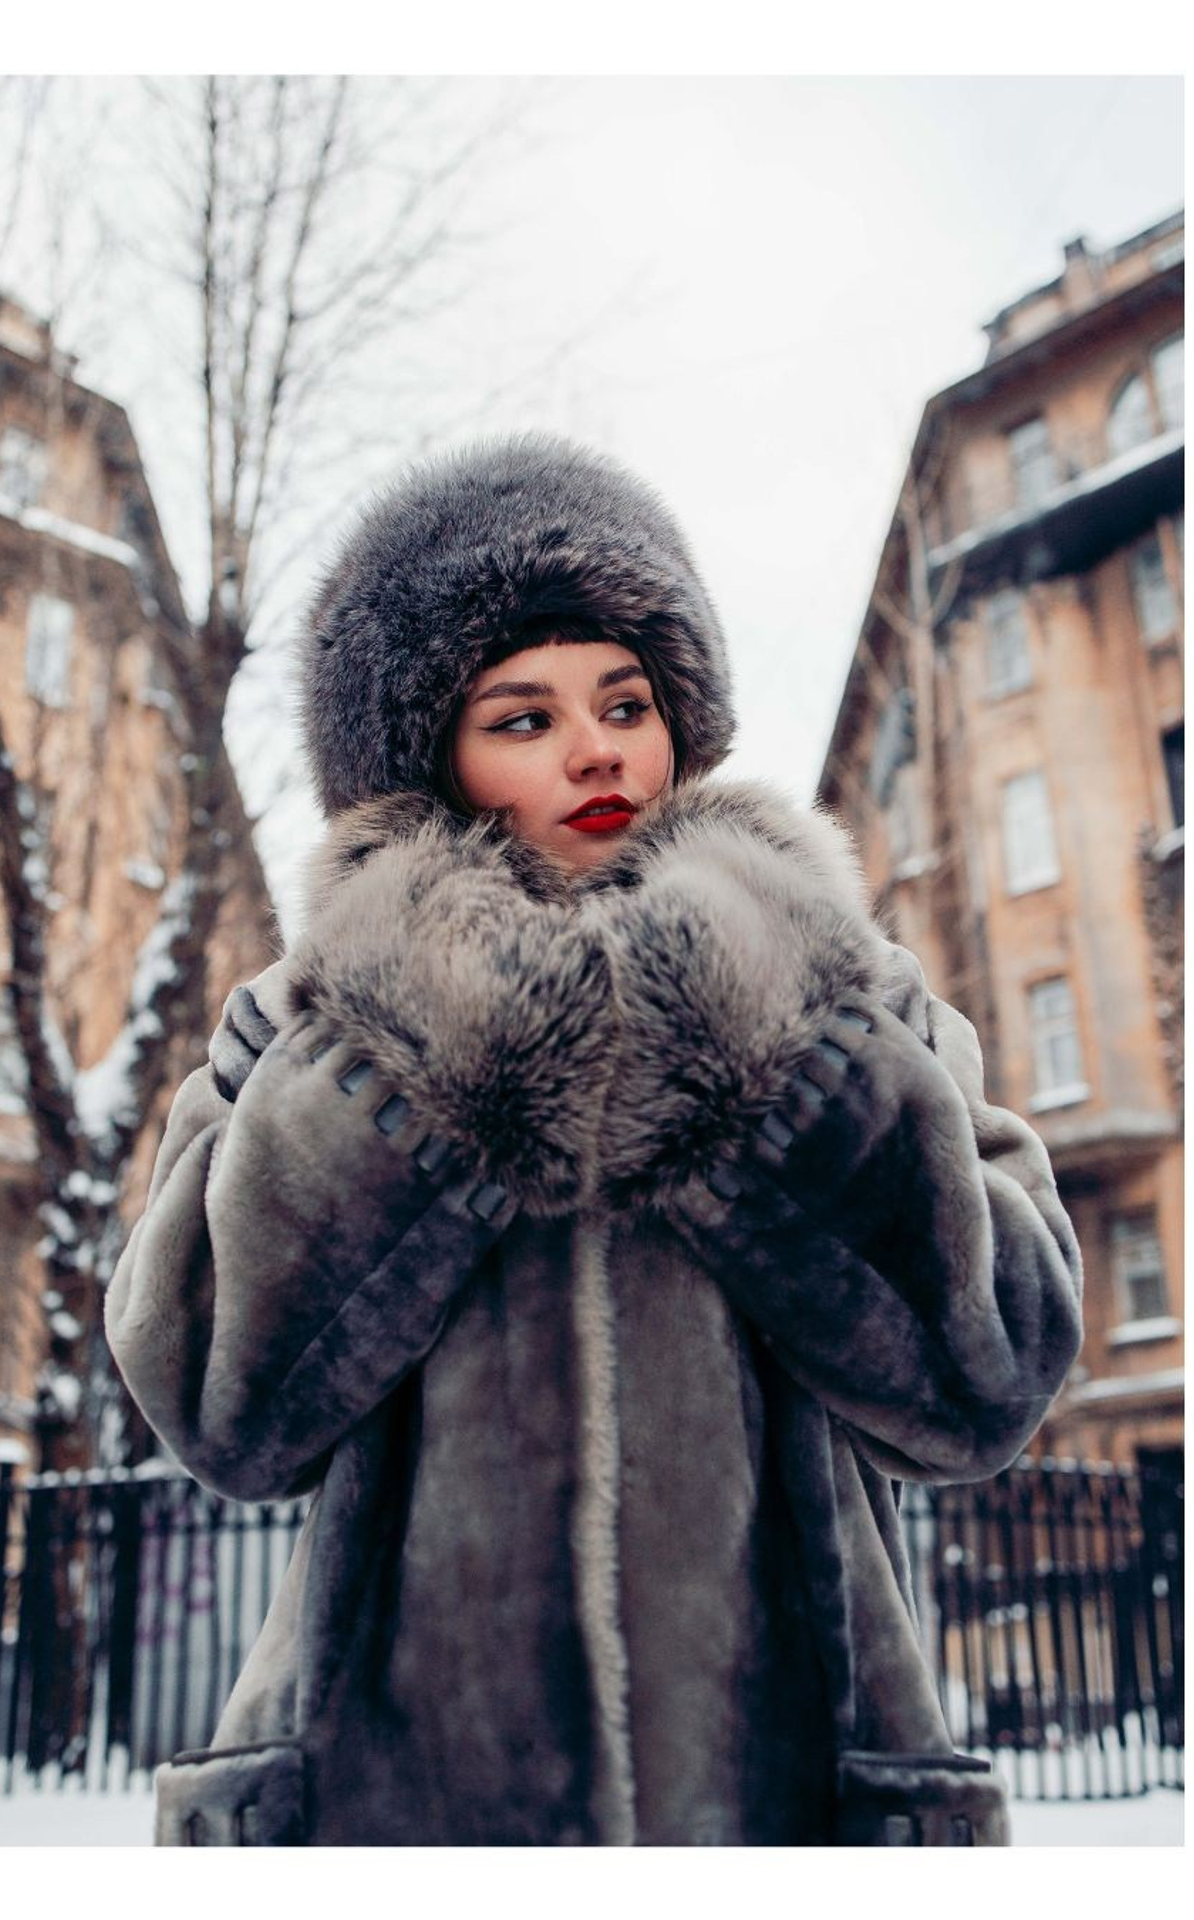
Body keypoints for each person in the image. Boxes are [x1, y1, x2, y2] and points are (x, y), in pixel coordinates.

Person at [105, 433, 1083, 1847]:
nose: (594, 746)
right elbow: (218, 1403)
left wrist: (766, 1048)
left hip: (780, 1808)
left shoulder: (855, 998)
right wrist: (425, 1050)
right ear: (424, 756)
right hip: (411, 1819)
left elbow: (992, 1370)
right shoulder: (304, 1026)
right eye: (522, 717)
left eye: (626, 699)